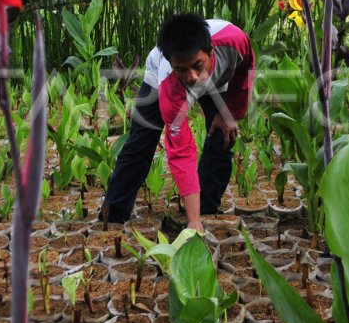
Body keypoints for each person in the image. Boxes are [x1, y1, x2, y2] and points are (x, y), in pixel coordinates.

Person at [100, 13, 255, 231]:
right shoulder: (170, 82)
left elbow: (245, 68)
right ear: (171, 63)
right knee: (140, 143)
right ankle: (112, 217)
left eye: (197, 65)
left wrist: (230, 112)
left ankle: (206, 212)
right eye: (182, 69)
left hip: (217, 80)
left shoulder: (234, 41)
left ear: (210, 51)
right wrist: (192, 222)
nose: (192, 76)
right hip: (160, 82)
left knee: (222, 137)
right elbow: (181, 152)